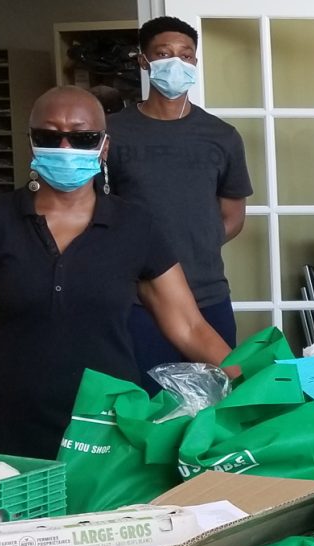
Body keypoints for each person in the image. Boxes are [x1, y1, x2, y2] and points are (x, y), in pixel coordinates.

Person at [0, 86, 235, 459]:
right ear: (32, 142)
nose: (66, 149)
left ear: (104, 147)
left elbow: (189, 326)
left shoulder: (135, 226)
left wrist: (258, 379)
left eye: (83, 137)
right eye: (50, 136)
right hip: (10, 432)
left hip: (106, 434)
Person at [105, 16, 252, 393]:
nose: (176, 63)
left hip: (209, 296)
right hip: (137, 302)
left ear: (196, 63)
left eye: (186, 56)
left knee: (216, 405)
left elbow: (233, 214)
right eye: (164, 54)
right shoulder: (113, 132)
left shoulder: (222, 136)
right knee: (144, 410)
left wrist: (198, 241)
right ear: (144, 61)